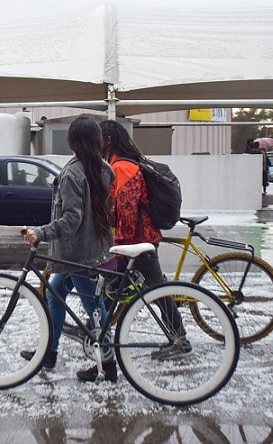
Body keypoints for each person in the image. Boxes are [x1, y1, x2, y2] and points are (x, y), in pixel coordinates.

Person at [21, 115, 117, 382]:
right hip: (94, 249)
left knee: (95, 310)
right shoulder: (104, 168)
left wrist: (41, 233)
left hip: (78, 256)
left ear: (72, 140)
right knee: (55, 294)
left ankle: (108, 366)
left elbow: (72, 219)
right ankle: (49, 352)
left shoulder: (72, 173)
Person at [98, 119, 190, 360]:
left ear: (107, 141)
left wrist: (121, 250)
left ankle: (179, 340)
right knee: (118, 289)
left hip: (138, 244)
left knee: (155, 290)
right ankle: (98, 334)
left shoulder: (122, 168)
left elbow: (127, 212)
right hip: (137, 241)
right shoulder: (118, 164)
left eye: (98, 139)